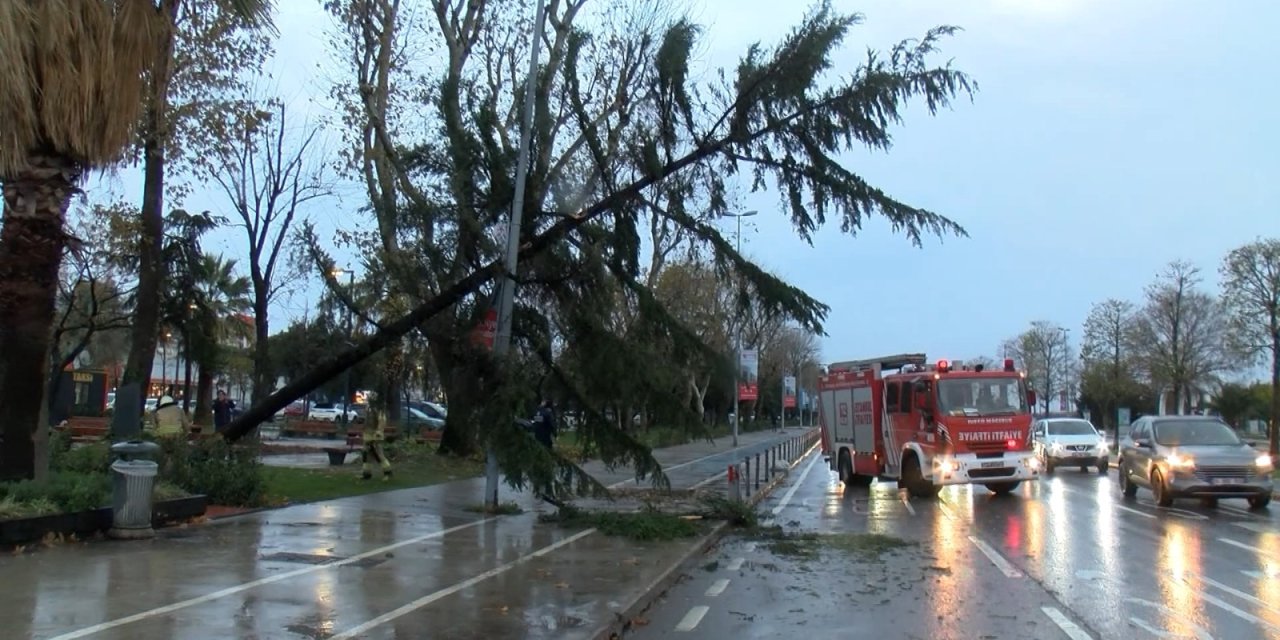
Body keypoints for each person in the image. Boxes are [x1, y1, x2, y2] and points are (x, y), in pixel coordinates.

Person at [361, 391, 392, 481]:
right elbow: (367, 421)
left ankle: (388, 473)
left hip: (375, 436)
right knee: (366, 456)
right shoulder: (369, 408)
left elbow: (382, 421)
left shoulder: (379, 409)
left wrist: (378, 432)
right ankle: (367, 474)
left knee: (379, 455)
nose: (368, 399)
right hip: (367, 435)